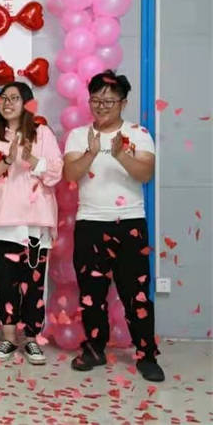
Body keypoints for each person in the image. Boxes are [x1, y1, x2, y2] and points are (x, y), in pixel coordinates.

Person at [63, 70, 164, 382]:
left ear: (123, 102)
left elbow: (145, 173)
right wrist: (92, 152)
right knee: (91, 293)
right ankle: (95, 349)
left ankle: (146, 354)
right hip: (90, 222)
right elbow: (70, 175)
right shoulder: (79, 135)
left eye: (109, 101)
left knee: (136, 293)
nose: (101, 106)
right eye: (96, 100)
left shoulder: (138, 133)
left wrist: (120, 154)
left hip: (129, 223)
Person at [0, 82, 63, 365]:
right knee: (6, 283)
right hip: (1, 222)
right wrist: (8, 160)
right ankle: (9, 337)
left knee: (34, 284)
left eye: (14, 98)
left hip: (35, 223)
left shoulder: (42, 134)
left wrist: (30, 158)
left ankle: (31, 338)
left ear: (27, 104)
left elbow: (55, 172)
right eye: (3, 98)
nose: (7, 103)